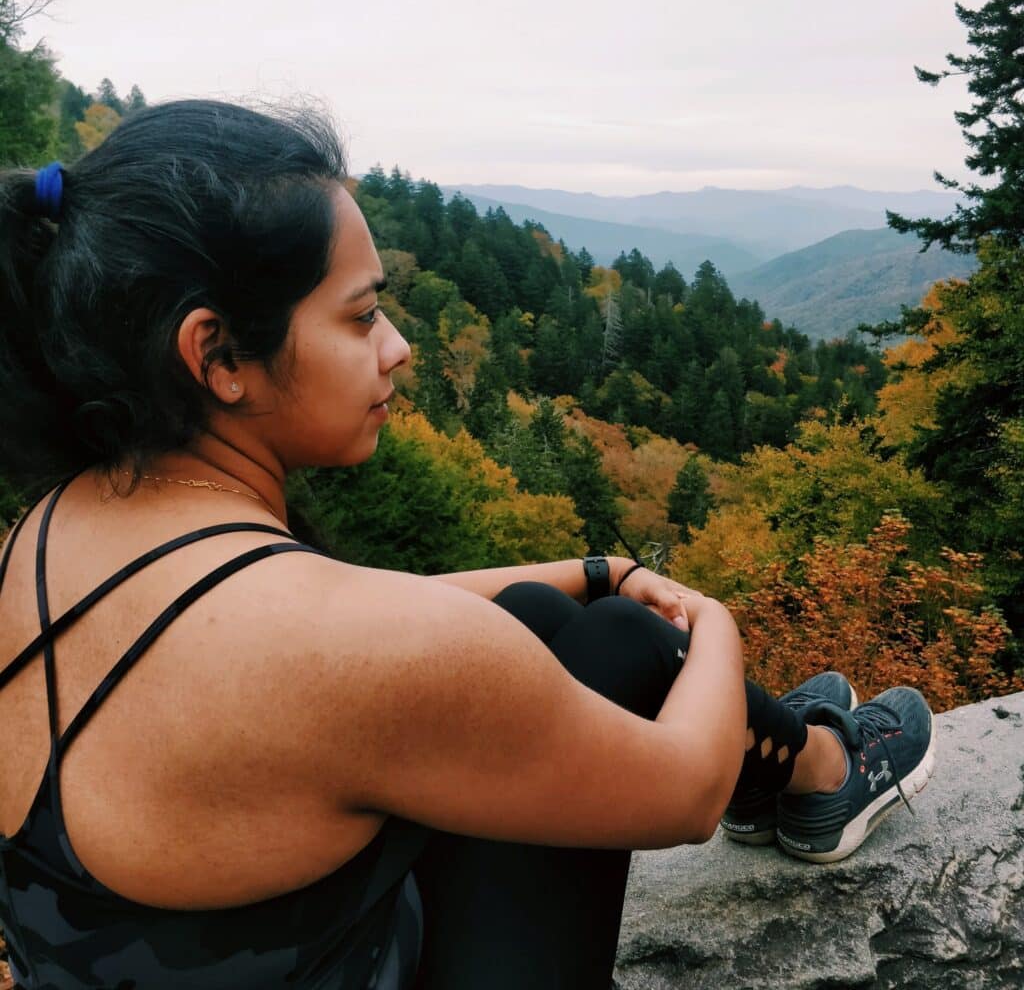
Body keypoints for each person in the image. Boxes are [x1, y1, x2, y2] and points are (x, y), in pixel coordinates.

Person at [0, 101, 935, 990]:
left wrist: (597, 570)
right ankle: (821, 769)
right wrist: (712, 619)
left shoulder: (38, 542)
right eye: (363, 315)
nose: (398, 346)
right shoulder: (344, 652)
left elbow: (346, 623)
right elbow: (685, 794)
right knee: (634, 641)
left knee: (544, 612)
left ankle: (805, 761)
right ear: (216, 357)